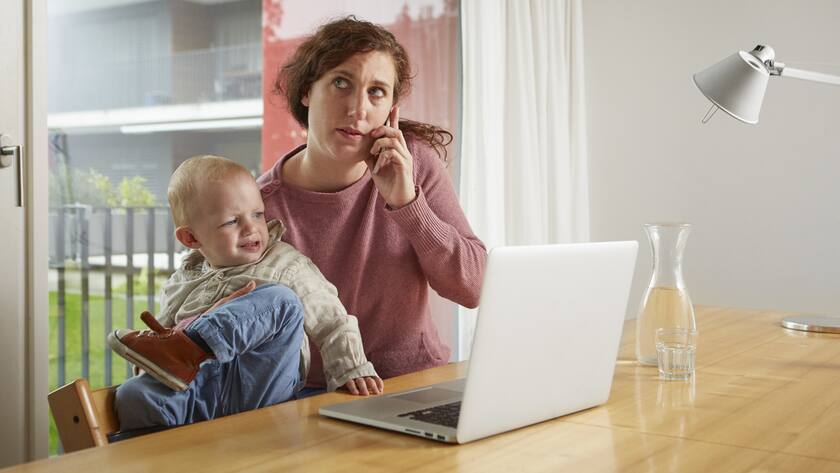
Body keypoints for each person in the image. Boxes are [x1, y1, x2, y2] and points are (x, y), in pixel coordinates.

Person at [258, 17, 487, 394]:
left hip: (415, 382)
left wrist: (407, 203)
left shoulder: (414, 164)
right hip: (313, 395)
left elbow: (474, 288)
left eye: (376, 92)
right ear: (307, 91)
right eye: (341, 83)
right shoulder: (262, 207)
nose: (358, 108)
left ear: (391, 109)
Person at [110, 155, 382, 431]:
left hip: (261, 384)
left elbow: (331, 319)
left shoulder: (284, 264)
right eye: (232, 221)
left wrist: (351, 368)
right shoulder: (184, 279)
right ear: (191, 238)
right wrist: (150, 372)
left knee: (281, 300)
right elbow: (161, 338)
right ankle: (164, 447)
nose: (251, 228)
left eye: (258, 214)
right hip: (200, 391)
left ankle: (193, 345)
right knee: (132, 394)